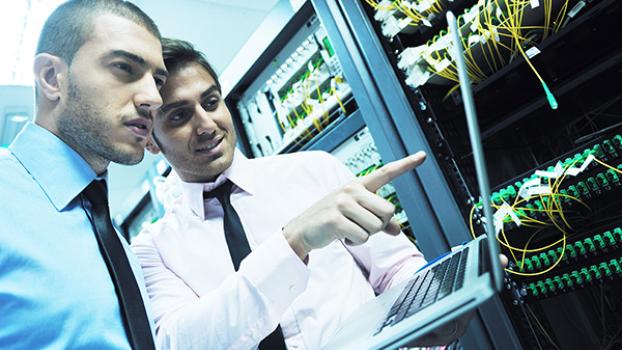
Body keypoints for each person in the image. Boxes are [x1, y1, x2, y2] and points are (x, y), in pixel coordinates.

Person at [132, 38, 490, 350]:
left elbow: (394, 268)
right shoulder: (153, 249)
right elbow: (180, 343)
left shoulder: (314, 170)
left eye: (211, 102)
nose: (207, 124)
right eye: (179, 116)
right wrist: (293, 242)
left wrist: (430, 309)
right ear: (149, 139)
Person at [0, 1, 168, 349]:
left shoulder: (109, 233)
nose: (153, 98)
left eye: (158, 80)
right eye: (124, 67)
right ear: (51, 78)